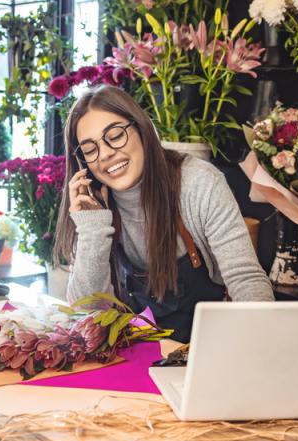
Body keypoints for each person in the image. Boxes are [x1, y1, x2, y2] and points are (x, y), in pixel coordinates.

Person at [53, 85, 274, 343]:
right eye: (90, 150)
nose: (106, 154)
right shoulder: (95, 204)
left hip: (202, 351)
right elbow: (86, 315)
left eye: (115, 135)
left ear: (141, 128)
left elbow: (245, 277)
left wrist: (262, 347)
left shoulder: (198, 182)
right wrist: (92, 227)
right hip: (131, 354)